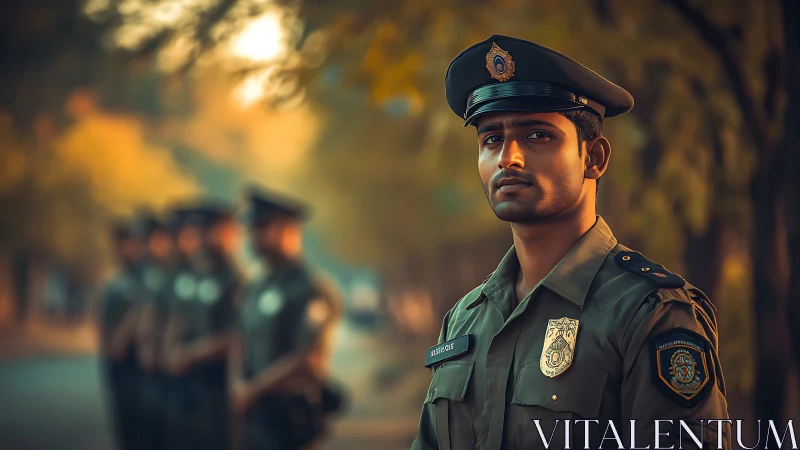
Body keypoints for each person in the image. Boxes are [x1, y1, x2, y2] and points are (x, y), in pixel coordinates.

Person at [411, 35, 730, 450]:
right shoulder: (466, 318)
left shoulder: (650, 315)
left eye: (538, 136)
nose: (509, 157)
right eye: (491, 139)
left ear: (594, 157)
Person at [229, 188, 345, 450]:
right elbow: (240, 338)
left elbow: (309, 357)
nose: (253, 236)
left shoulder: (310, 288)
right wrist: (237, 384)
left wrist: (252, 390)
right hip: (256, 413)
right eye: (252, 228)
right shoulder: (256, 286)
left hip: (291, 414)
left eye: (263, 227)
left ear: (289, 230)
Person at [163, 204, 241, 450]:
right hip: (188, 382)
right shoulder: (194, 274)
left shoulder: (235, 279)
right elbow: (178, 317)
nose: (208, 238)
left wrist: (191, 353)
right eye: (204, 231)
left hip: (218, 383)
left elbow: (236, 336)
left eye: (216, 231)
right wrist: (171, 351)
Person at [99, 219, 145, 450]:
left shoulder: (144, 279)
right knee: (126, 432)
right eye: (121, 243)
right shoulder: (116, 283)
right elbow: (108, 335)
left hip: (139, 370)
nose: (125, 249)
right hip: (121, 371)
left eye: (130, 243)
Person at [135, 214, 176, 450]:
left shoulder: (176, 274)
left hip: (171, 368)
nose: (152, 246)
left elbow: (176, 320)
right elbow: (147, 313)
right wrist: (145, 345)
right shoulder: (151, 273)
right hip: (151, 367)